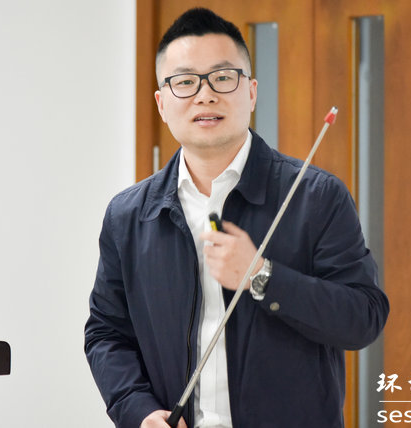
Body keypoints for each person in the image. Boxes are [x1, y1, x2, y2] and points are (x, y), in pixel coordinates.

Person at [84, 7, 389, 428]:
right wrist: (138, 410)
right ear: (161, 103)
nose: (205, 95)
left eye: (223, 77)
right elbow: (106, 333)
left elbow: (363, 318)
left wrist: (262, 276)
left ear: (251, 92)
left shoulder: (316, 196)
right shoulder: (129, 215)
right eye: (185, 82)